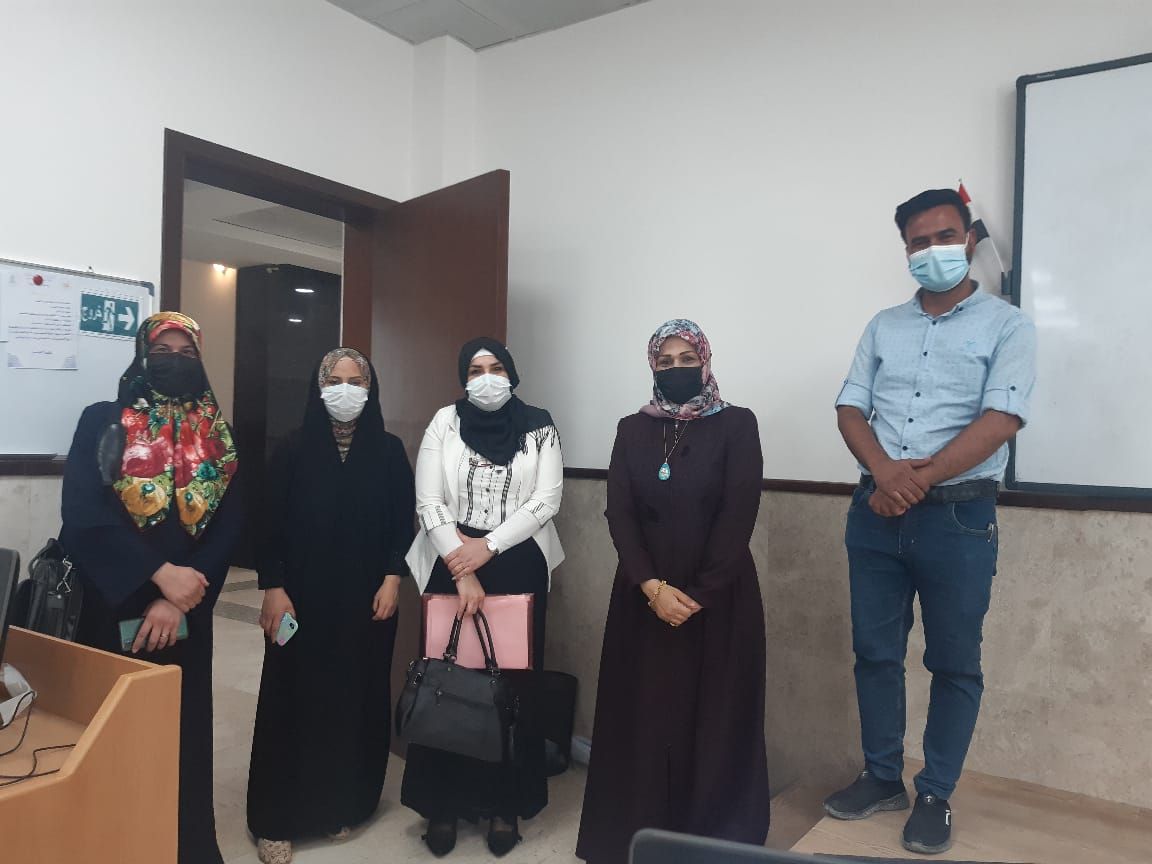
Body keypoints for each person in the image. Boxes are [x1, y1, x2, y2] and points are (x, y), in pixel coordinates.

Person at [824, 189, 1036, 855]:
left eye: (945, 236)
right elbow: (850, 409)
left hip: (959, 519)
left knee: (954, 663)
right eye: (919, 242)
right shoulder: (883, 326)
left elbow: (1002, 419)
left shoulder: (1008, 325)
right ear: (906, 251)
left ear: (968, 239)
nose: (932, 250)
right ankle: (882, 777)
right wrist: (884, 472)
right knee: (875, 654)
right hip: (875, 516)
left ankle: (936, 794)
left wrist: (916, 479)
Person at [576, 319, 770, 864]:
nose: (677, 369)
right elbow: (620, 512)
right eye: (666, 361)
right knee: (644, 719)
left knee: (713, 719)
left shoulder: (737, 424)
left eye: (688, 359)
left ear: (705, 362)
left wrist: (699, 593)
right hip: (643, 597)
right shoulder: (631, 428)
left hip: (719, 600)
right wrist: (651, 586)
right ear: (652, 367)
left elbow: (739, 513)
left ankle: (712, 843)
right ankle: (635, 838)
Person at [63, 311, 242, 864]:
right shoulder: (104, 421)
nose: (175, 361)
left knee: (182, 734)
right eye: (163, 351)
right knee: (116, 733)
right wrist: (157, 575)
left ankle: (188, 849)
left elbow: (231, 523)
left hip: (188, 606)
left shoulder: (216, 434)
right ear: (142, 355)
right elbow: (84, 513)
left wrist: (178, 598)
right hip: (114, 601)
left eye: (187, 353)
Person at [246, 348, 415, 864]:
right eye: (335, 380)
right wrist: (273, 587)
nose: (346, 390)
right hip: (299, 602)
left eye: (356, 380)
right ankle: (276, 820)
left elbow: (402, 523)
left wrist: (393, 578)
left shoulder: (389, 451)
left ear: (371, 388)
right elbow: (267, 525)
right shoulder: (292, 448)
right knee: (289, 699)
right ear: (319, 388)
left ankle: (344, 804)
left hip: (366, 603)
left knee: (354, 698)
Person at [400, 337, 564, 858]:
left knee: (511, 690)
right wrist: (461, 563)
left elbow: (546, 500)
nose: (487, 378)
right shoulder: (444, 421)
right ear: (462, 378)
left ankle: (503, 804)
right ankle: (443, 804)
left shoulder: (538, 425)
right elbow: (428, 501)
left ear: (512, 373)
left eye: (496, 368)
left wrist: (487, 548)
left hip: (517, 561)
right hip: (449, 559)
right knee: (447, 683)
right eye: (475, 370)